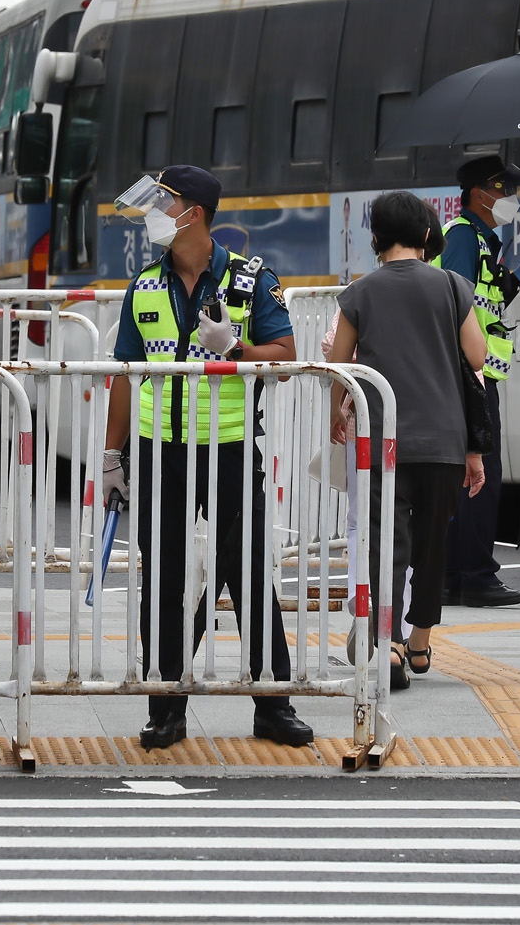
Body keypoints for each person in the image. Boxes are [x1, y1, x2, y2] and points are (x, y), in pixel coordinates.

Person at [100, 165, 313, 750]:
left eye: (161, 205)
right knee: (164, 577)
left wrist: (236, 350)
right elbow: (124, 375)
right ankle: (165, 708)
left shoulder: (249, 280)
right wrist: (111, 454)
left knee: (247, 573)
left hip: (230, 450)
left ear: (191, 212)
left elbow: (287, 354)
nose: (152, 217)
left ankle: (273, 704)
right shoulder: (144, 285)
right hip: (159, 451)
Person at [326, 191, 488, 693]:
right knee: (432, 543)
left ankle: (388, 642)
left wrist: (338, 412)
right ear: (425, 236)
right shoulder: (453, 286)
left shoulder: (359, 292)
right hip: (443, 438)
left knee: (385, 544)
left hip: (382, 439)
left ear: (374, 239)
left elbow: (342, 362)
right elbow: (478, 357)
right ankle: (420, 638)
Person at [434, 155, 520, 607]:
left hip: (477, 372)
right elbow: (456, 302)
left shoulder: (481, 239)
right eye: (504, 189)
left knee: (470, 479)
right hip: (469, 374)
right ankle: (475, 575)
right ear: (480, 193)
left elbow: (482, 300)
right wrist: (467, 372)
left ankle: (456, 575)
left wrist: (517, 279)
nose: (510, 199)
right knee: (480, 478)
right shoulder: (462, 238)